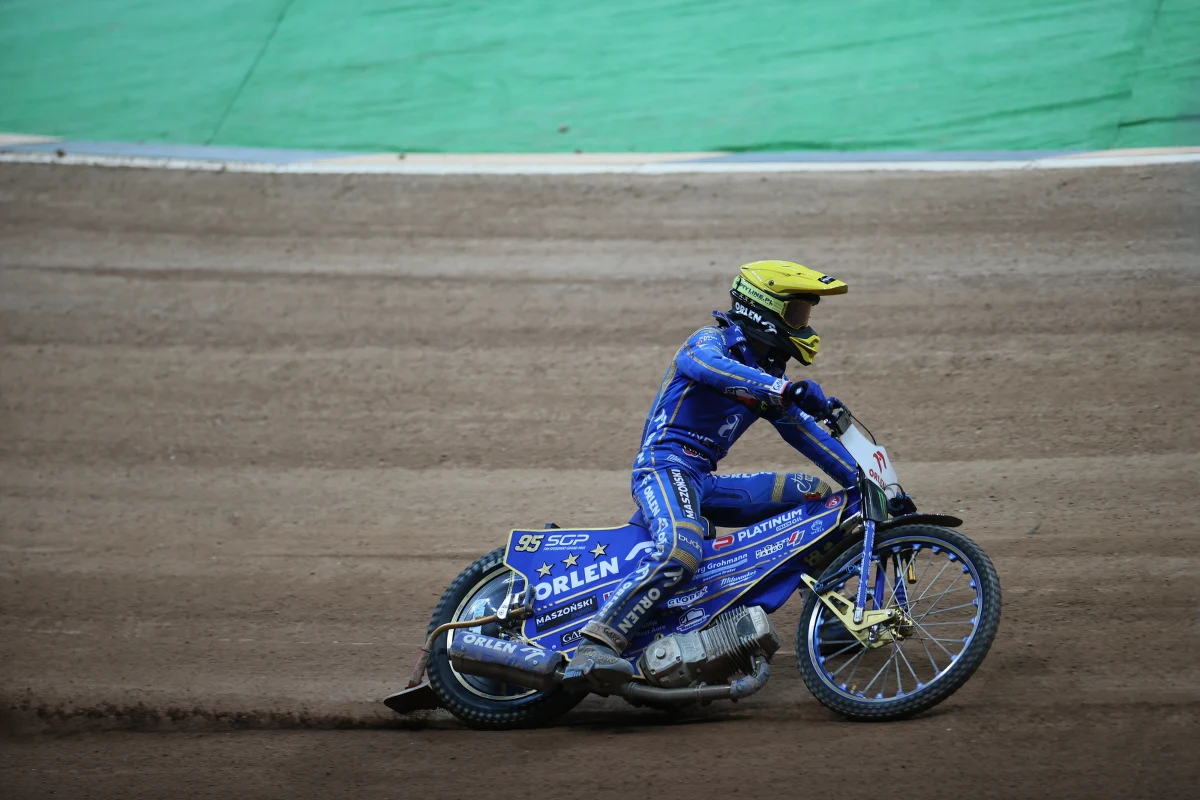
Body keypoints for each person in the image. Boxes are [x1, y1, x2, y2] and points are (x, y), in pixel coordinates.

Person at [564, 259, 860, 688]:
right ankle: (597, 644)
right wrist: (781, 390)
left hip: (700, 480)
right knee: (681, 549)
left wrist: (868, 481)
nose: (805, 324)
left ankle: (829, 616)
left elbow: (808, 436)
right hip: (662, 468)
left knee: (816, 496)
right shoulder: (709, 342)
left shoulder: (767, 376)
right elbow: (710, 369)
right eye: (797, 312)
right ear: (764, 307)